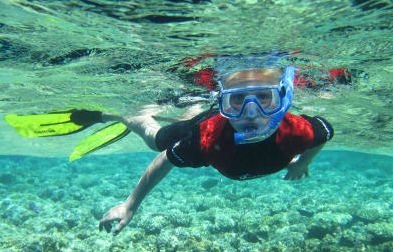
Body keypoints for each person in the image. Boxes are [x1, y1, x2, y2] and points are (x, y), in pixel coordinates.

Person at [98, 66, 334, 236]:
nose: (251, 113)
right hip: (204, 122)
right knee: (156, 141)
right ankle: (130, 117)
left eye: (264, 97)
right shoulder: (205, 138)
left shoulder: (296, 130)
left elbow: (324, 133)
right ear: (224, 102)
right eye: (237, 99)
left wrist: (303, 162)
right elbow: (165, 158)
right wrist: (130, 205)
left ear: (281, 99)